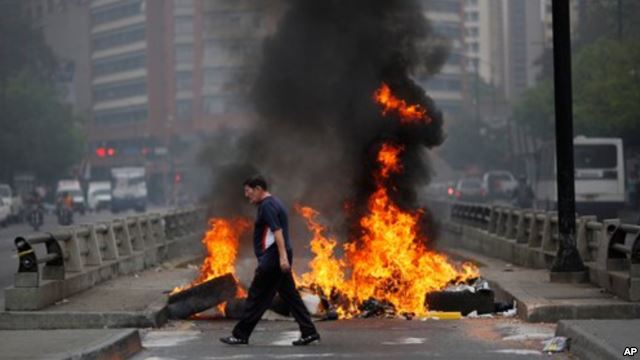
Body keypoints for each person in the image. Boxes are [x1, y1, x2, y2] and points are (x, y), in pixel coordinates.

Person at [220, 175, 320, 346]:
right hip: (278, 256)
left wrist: (281, 258)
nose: (247, 195)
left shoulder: (267, 206)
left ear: (258, 189)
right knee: (291, 296)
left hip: (273, 258)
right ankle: (309, 332)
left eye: (248, 191)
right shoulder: (275, 203)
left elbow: (277, 232)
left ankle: (240, 335)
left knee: (256, 297)